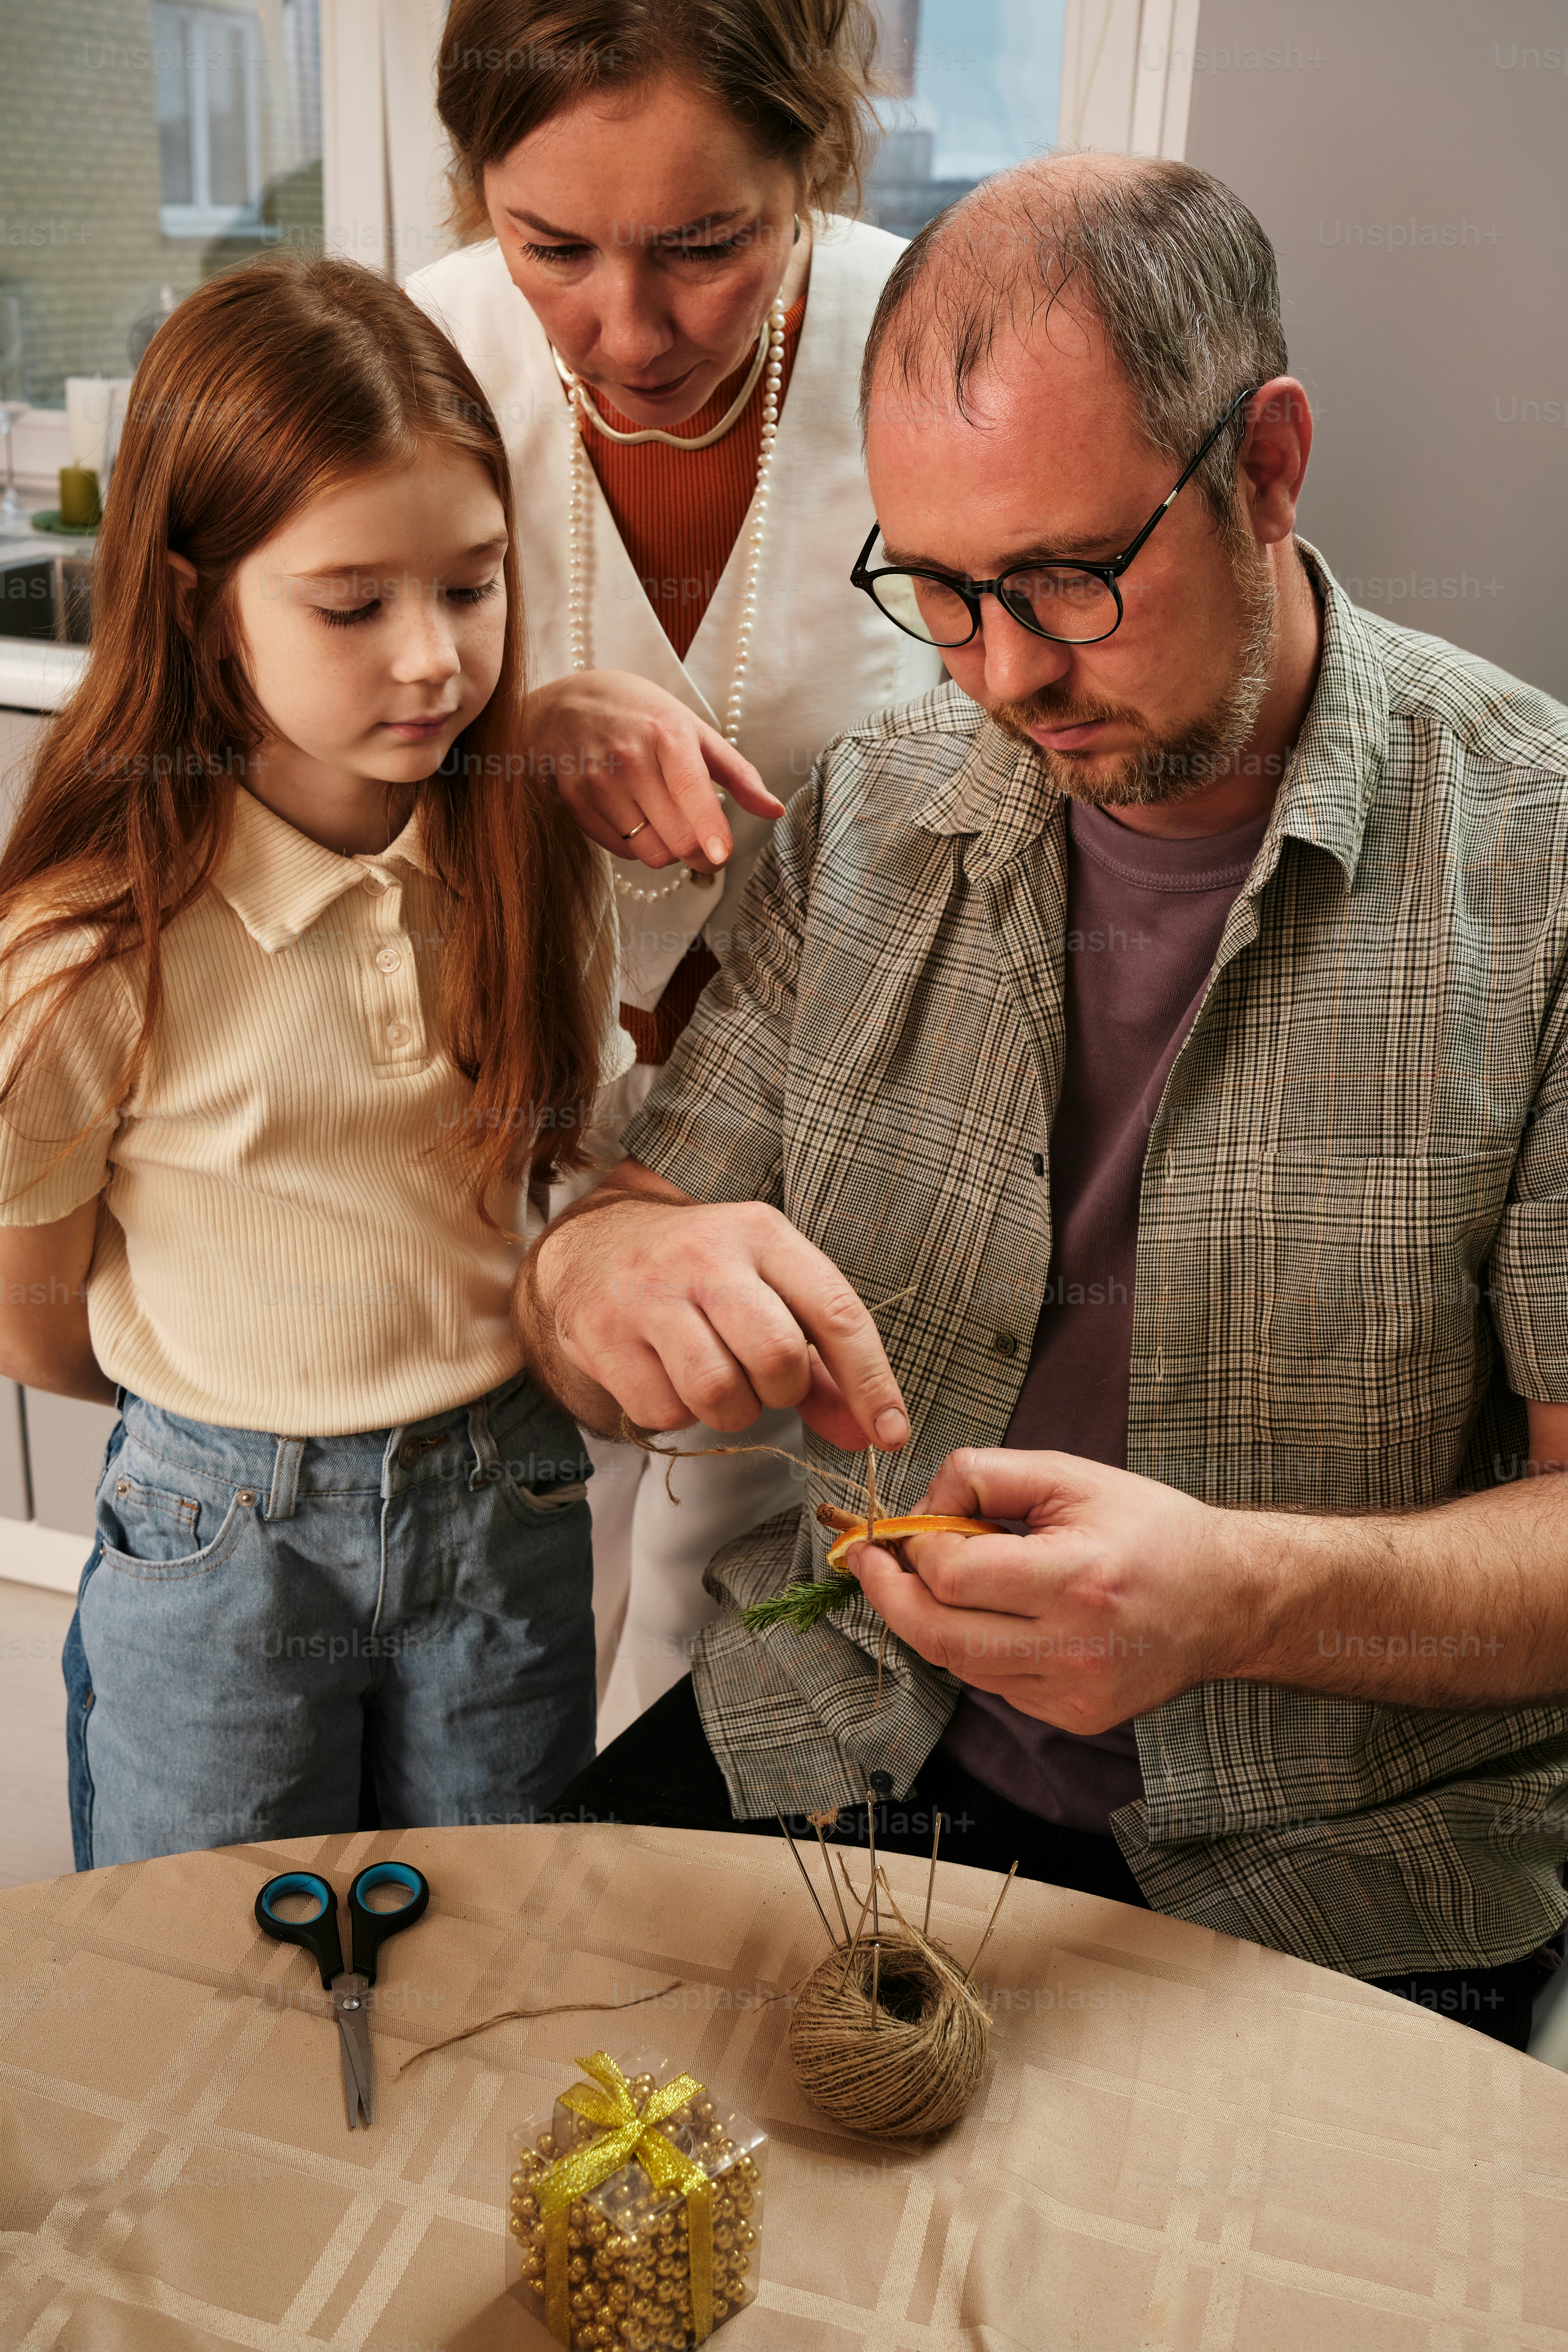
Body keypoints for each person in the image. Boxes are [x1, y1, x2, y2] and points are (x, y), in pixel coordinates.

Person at [510, 155, 1568, 2050]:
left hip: (1341, 1855)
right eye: (936, 589)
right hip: (835, 1733)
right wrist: (595, 1283)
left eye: (1069, 578)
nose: (1000, 673)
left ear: (1263, 465)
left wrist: (1238, 1597)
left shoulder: (1538, 864)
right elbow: (612, 1240)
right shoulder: (873, 808)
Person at [0, 254, 631, 1867]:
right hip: (219, 1539)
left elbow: (569, 1163)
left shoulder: (532, 861)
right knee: (204, 1964)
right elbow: (33, 1319)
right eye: (352, 605)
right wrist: (230, 1414)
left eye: (472, 587)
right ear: (204, 606)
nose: (430, 658)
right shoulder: (88, 951)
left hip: (506, 1501)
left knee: (500, 1941)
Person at [405, 0, 943, 1738]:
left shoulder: (935, 352)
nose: (623, 330)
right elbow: (254, 771)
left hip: (837, 1131)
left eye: (705, 248)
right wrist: (510, 739)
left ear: (812, 163)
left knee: (762, 1650)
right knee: (491, 1648)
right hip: (487, 1109)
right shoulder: (423, 355)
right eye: (548, 242)